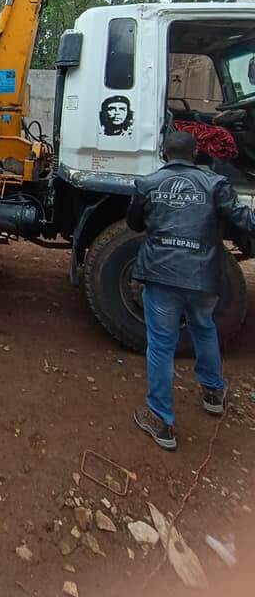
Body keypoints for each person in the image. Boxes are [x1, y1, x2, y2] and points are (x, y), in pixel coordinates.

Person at [126, 130, 255, 450]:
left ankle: (162, 421)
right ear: (195, 153)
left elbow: (134, 224)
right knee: (203, 327)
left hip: (161, 276)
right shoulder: (215, 184)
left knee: (160, 346)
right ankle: (213, 393)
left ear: (164, 153)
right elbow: (244, 220)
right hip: (203, 277)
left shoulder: (148, 184)